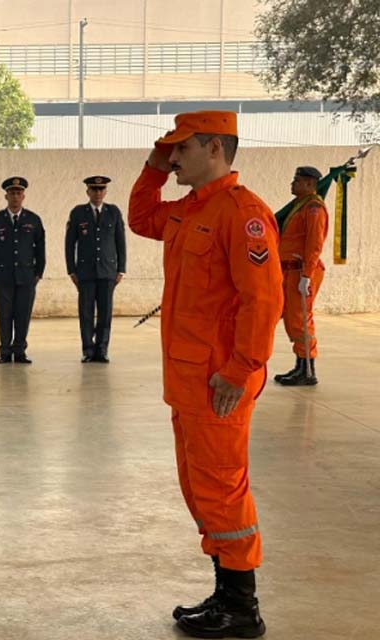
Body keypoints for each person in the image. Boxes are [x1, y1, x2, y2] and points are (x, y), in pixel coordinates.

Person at [129, 111, 282, 638]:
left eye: (180, 150)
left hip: (220, 383)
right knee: (201, 489)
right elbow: (140, 216)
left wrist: (239, 371)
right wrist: (151, 166)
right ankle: (225, 591)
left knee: (222, 490)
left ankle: (243, 607)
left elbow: (262, 302)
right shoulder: (192, 210)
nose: (172, 159)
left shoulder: (244, 215)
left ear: (214, 148)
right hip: (189, 382)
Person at [274, 166, 328, 386]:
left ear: (309, 183)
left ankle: (307, 370)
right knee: (291, 318)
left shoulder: (314, 208)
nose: (292, 184)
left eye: (296, 180)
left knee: (300, 320)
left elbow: (314, 244)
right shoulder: (300, 206)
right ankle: (300, 365)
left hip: (301, 270)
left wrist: (306, 275)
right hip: (290, 270)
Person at [64, 175, 126, 363]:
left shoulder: (113, 212)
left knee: (105, 313)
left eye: (101, 189)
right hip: (85, 272)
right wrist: (71, 270)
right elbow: (69, 244)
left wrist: (121, 268)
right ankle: (88, 350)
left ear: (105, 191)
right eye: (94, 189)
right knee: (86, 312)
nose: (98, 193)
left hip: (108, 271)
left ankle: (102, 349)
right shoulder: (77, 213)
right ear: (88, 192)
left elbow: (120, 242)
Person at [0, 177, 45, 364]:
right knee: (4, 316)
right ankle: (4, 351)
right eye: (12, 193)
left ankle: (19, 351)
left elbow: (40, 249)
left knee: (22, 315)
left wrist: (38, 274)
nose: (15, 197)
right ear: (6, 196)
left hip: (26, 277)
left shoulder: (33, 220)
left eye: (19, 193)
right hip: (3, 277)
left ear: (23, 196)